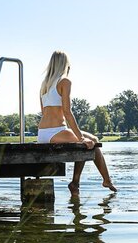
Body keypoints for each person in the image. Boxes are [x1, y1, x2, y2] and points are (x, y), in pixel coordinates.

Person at [37, 50, 117, 196]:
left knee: (92, 140)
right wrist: (80, 138)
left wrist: (77, 135)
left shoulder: (44, 85)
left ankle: (76, 183)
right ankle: (105, 180)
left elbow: (44, 112)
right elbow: (67, 112)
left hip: (42, 132)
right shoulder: (65, 81)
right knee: (89, 142)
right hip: (55, 131)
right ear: (65, 64)